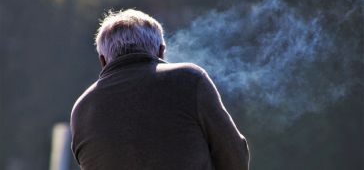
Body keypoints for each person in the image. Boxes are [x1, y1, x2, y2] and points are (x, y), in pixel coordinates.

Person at [70, 9, 250, 170]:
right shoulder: (190, 79)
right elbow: (235, 157)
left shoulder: (82, 109)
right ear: (161, 51)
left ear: (102, 61)